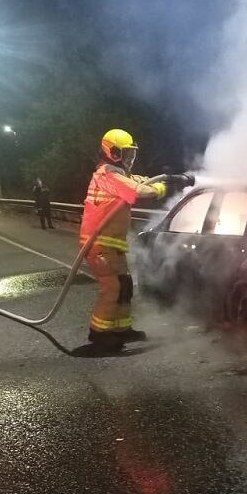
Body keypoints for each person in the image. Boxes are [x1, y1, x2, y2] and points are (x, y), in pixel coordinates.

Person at [79, 129, 169, 351]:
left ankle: (121, 329)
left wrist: (166, 179)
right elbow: (136, 192)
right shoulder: (107, 175)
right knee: (112, 287)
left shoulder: (118, 174)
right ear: (112, 151)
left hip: (112, 243)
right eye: (125, 153)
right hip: (99, 243)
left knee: (125, 286)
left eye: (131, 154)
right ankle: (99, 334)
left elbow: (139, 181)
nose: (129, 158)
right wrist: (158, 189)